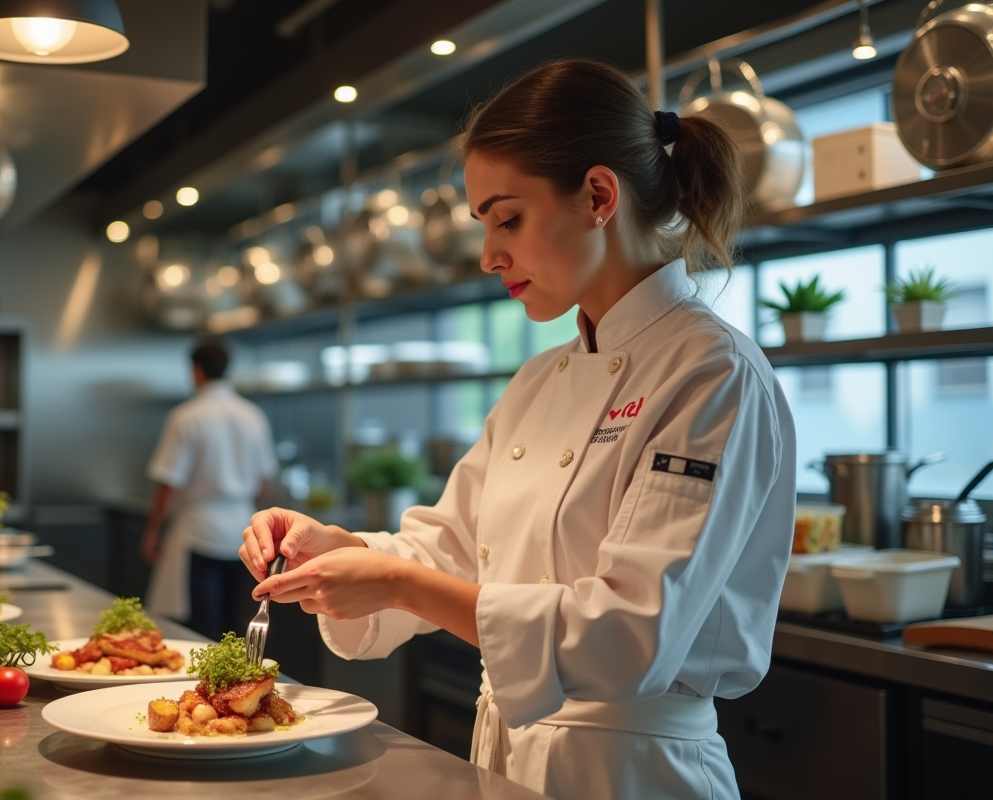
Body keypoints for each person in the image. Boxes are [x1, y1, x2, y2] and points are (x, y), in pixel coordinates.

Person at [240, 59, 796, 800]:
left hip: (635, 772)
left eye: (508, 219)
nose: (488, 256)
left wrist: (398, 581)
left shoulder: (711, 372)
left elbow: (630, 635)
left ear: (598, 196)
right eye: (484, 225)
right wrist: (342, 551)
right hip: (506, 757)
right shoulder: (538, 379)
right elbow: (452, 545)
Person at [143, 340, 278, 639]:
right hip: (244, 534)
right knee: (235, 625)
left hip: (199, 532)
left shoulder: (186, 416)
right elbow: (264, 483)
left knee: (201, 629)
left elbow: (168, 482)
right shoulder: (253, 415)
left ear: (196, 371)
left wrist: (153, 531)